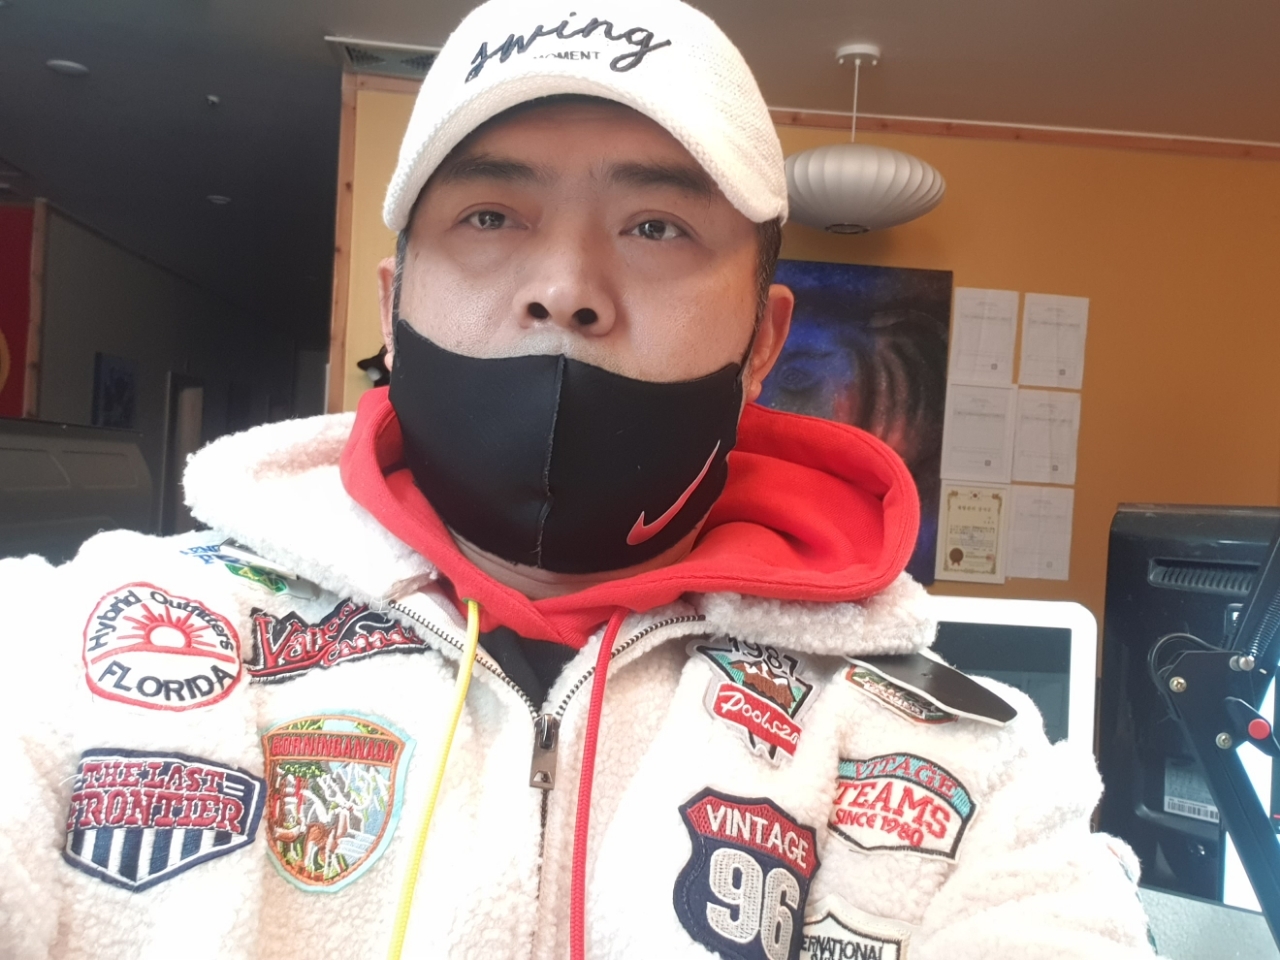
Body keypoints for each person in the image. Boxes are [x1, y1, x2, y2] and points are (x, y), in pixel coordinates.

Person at [0, 2, 1157, 958]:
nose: (564, 286)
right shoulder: (74, 648)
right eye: (490, 215)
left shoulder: (972, 770)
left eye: (654, 227)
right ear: (395, 311)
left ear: (762, 342)